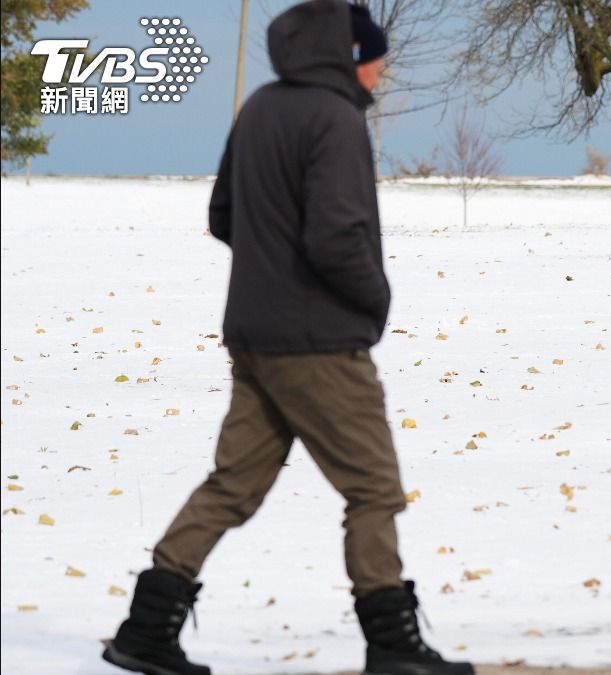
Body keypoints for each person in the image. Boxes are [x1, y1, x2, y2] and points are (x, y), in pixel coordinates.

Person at [102, 2, 472, 674]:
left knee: (232, 484)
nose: (381, 76)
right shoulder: (334, 120)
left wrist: (269, 269)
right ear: (349, 55)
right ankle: (393, 645)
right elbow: (336, 237)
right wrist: (374, 297)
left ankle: (144, 629)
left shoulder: (261, 109)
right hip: (319, 344)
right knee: (374, 488)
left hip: (254, 337)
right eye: (377, 62)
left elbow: (223, 215)